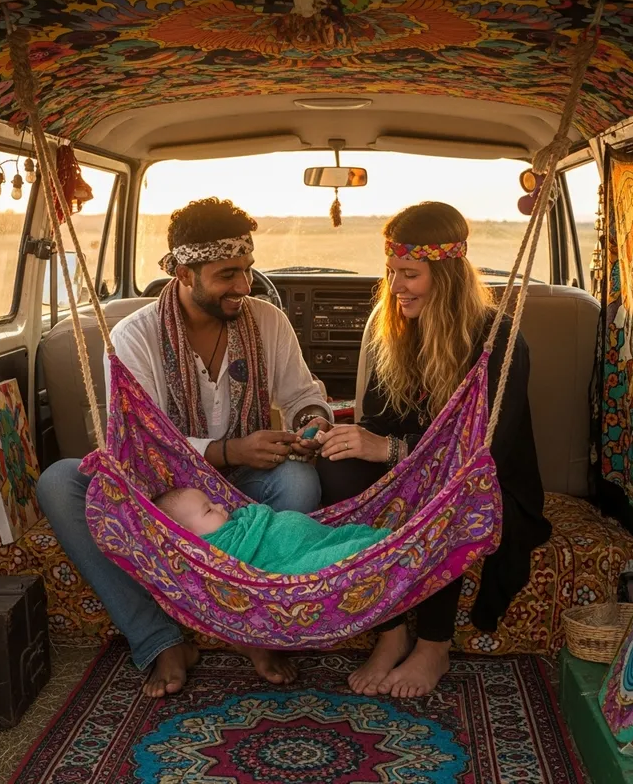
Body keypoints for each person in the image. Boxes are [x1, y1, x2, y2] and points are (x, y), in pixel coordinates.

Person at [37, 197, 332, 697]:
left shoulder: (268, 322)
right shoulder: (135, 336)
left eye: (248, 270)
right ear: (182, 272)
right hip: (162, 487)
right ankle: (159, 640)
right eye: (227, 274)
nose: (243, 286)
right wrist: (230, 450)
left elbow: (304, 395)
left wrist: (311, 425)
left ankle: (252, 625)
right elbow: (137, 440)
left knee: (299, 479)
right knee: (59, 481)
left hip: (243, 484)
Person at [315, 201, 552, 699]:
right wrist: (343, 437)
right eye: (391, 272)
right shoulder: (394, 328)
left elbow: (481, 452)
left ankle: (434, 644)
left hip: (485, 484)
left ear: (445, 276)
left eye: (409, 274)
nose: (396, 287)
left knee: (439, 490)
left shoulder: (499, 340)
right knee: (336, 469)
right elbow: (376, 422)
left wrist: (393, 450)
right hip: (412, 472)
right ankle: (392, 629)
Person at [155, 487, 390, 574]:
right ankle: (381, 544)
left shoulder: (233, 523)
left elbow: (255, 515)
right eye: (208, 511)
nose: (219, 506)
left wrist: (255, 517)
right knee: (337, 556)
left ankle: (375, 539)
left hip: (308, 534)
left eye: (213, 502)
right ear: (187, 537)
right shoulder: (214, 554)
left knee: (341, 535)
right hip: (293, 555)